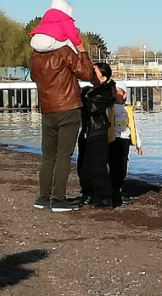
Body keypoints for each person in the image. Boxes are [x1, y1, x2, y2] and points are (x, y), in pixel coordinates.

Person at [30, 24, 93, 213]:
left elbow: (34, 77)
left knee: (48, 155)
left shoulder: (35, 56)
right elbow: (86, 74)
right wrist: (83, 52)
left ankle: (43, 197)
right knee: (64, 155)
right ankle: (58, 199)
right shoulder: (64, 51)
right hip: (68, 107)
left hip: (47, 109)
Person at [76, 63, 117, 210]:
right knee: (83, 166)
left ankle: (105, 197)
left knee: (98, 167)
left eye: (94, 72)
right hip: (86, 132)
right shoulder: (88, 90)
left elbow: (93, 109)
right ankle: (87, 193)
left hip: (98, 133)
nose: (90, 74)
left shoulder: (105, 92)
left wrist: (83, 97)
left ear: (103, 78)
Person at [108, 81, 142, 208]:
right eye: (114, 91)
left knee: (123, 164)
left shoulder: (128, 110)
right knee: (114, 165)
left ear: (125, 95)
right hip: (113, 139)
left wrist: (138, 143)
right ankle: (114, 191)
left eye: (118, 92)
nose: (115, 94)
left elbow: (133, 127)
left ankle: (119, 188)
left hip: (125, 139)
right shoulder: (110, 107)